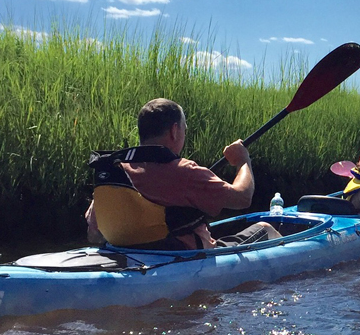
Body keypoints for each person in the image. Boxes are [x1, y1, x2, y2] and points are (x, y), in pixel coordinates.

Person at [84, 98, 281, 250]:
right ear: (175, 131)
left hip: (131, 255)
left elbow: (94, 232)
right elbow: (243, 197)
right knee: (266, 228)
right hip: (188, 257)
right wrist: (242, 161)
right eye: (185, 129)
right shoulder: (185, 171)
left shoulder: (116, 173)